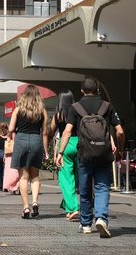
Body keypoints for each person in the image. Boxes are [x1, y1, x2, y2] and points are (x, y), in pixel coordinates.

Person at [57, 77, 124, 238]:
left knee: (85, 189)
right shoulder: (107, 106)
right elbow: (120, 131)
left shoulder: (75, 107)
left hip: (85, 155)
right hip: (104, 154)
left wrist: (60, 152)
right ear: (98, 90)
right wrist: (120, 149)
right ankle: (101, 218)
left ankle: (86, 224)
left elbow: (67, 131)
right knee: (102, 188)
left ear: (82, 91)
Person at [9, 84, 49, 219]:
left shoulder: (18, 109)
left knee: (23, 177)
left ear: (24, 95)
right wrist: (46, 151)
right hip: (36, 140)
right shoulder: (42, 111)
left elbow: (10, 128)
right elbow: (44, 133)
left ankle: (26, 207)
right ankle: (35, 202)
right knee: (35, 176)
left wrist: (12, 134)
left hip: (21, 140)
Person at [49, 90, 79, 221]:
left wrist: (55, 151)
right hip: (80, 143)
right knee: (77, 178)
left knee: (66, 179)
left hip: (65, 145)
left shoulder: (58, 115)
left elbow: (50, 132)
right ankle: (67, 206)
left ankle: (73, 208)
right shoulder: (78, 112)